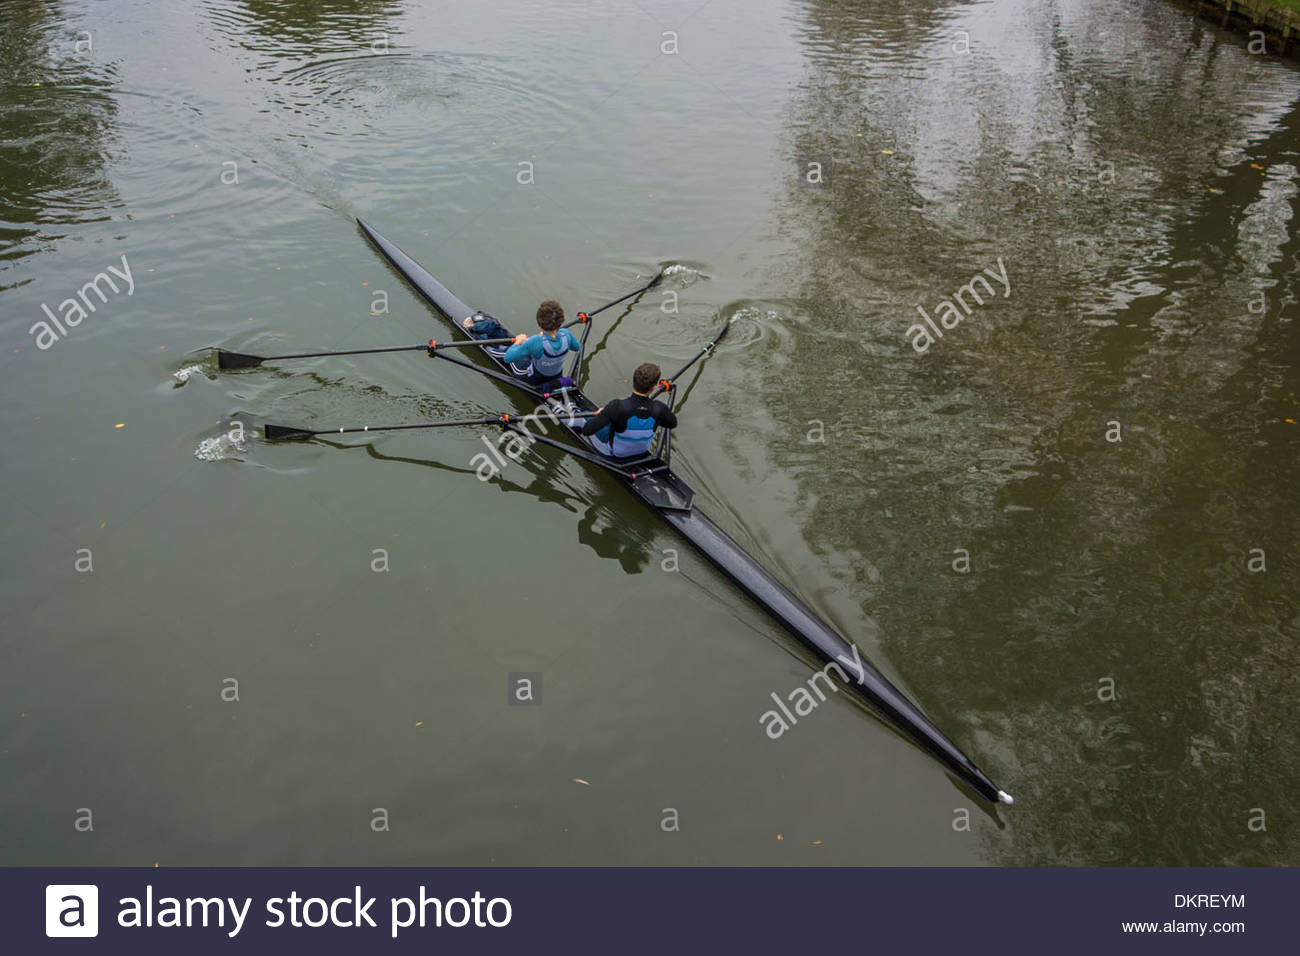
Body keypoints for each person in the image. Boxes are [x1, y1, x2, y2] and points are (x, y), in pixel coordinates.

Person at [470, 300, 580, 388]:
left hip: (532, 379)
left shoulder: (536, 341)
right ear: (561, 320)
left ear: (539, 321)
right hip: (555, 376)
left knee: (506, 353)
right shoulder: (567, 334)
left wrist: (518, 341)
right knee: (528, 350)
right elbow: (577, 348)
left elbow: (508, 358)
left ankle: (487, 347)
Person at [581, 362, 677, 458]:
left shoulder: (616, 406)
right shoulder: (659, 408)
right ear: (654, 388)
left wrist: (601, 414)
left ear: (633, 381)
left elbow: (586, 431)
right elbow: (672, 423)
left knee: (584, 416)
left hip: (617, 454)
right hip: (641, 452)